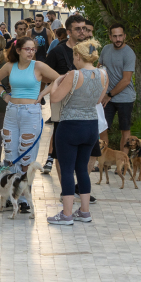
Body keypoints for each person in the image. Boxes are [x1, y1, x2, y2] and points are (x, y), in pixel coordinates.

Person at [0, 37, 61, 211]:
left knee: (26, 156)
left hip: (31, 112)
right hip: (12, 111)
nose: (31, 52)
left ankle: (23, 198)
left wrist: (41, 95)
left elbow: (59, 79)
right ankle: (9, 195)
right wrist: (4, 96)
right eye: (27, 49)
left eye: (33, 49)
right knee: (10, 154)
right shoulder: (10, 66)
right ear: (18, 50)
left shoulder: (38, 66)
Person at [46, 39, 107, 225]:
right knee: (82, 169)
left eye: (74, 56)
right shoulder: (103, 75)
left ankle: (66, 214)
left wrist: (56, 82)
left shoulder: (74, 74)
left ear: (78, 56)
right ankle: (85, 212)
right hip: (91, 126)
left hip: (70, 126)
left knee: (66, 170)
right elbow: (98, 101)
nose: (73, 60)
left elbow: (55, 98)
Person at [44, 15, 89, 176]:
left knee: (86, 151)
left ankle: (81, 188)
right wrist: (63, 78)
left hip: (85, 107)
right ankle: (66, 189)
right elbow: (44, 76)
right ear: (69, 32)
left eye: (84, 28)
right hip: (64, 107)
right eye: (78, 28)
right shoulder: (58, 51)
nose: (82, 31)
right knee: (61, 151)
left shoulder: (90, 50)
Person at [99, 24, 137, 151]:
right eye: (114, 36)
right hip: (106, 97)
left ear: (125, 36)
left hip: (124, 98)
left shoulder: (129, 53)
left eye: (120, 36)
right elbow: (98, 68)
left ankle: (123, 162)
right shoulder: (105, 49)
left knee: (125, 130)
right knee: (102, 128)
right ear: (110, 37)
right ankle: (104, 161)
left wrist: (109, 95)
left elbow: (126, 80)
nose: (118, 39)